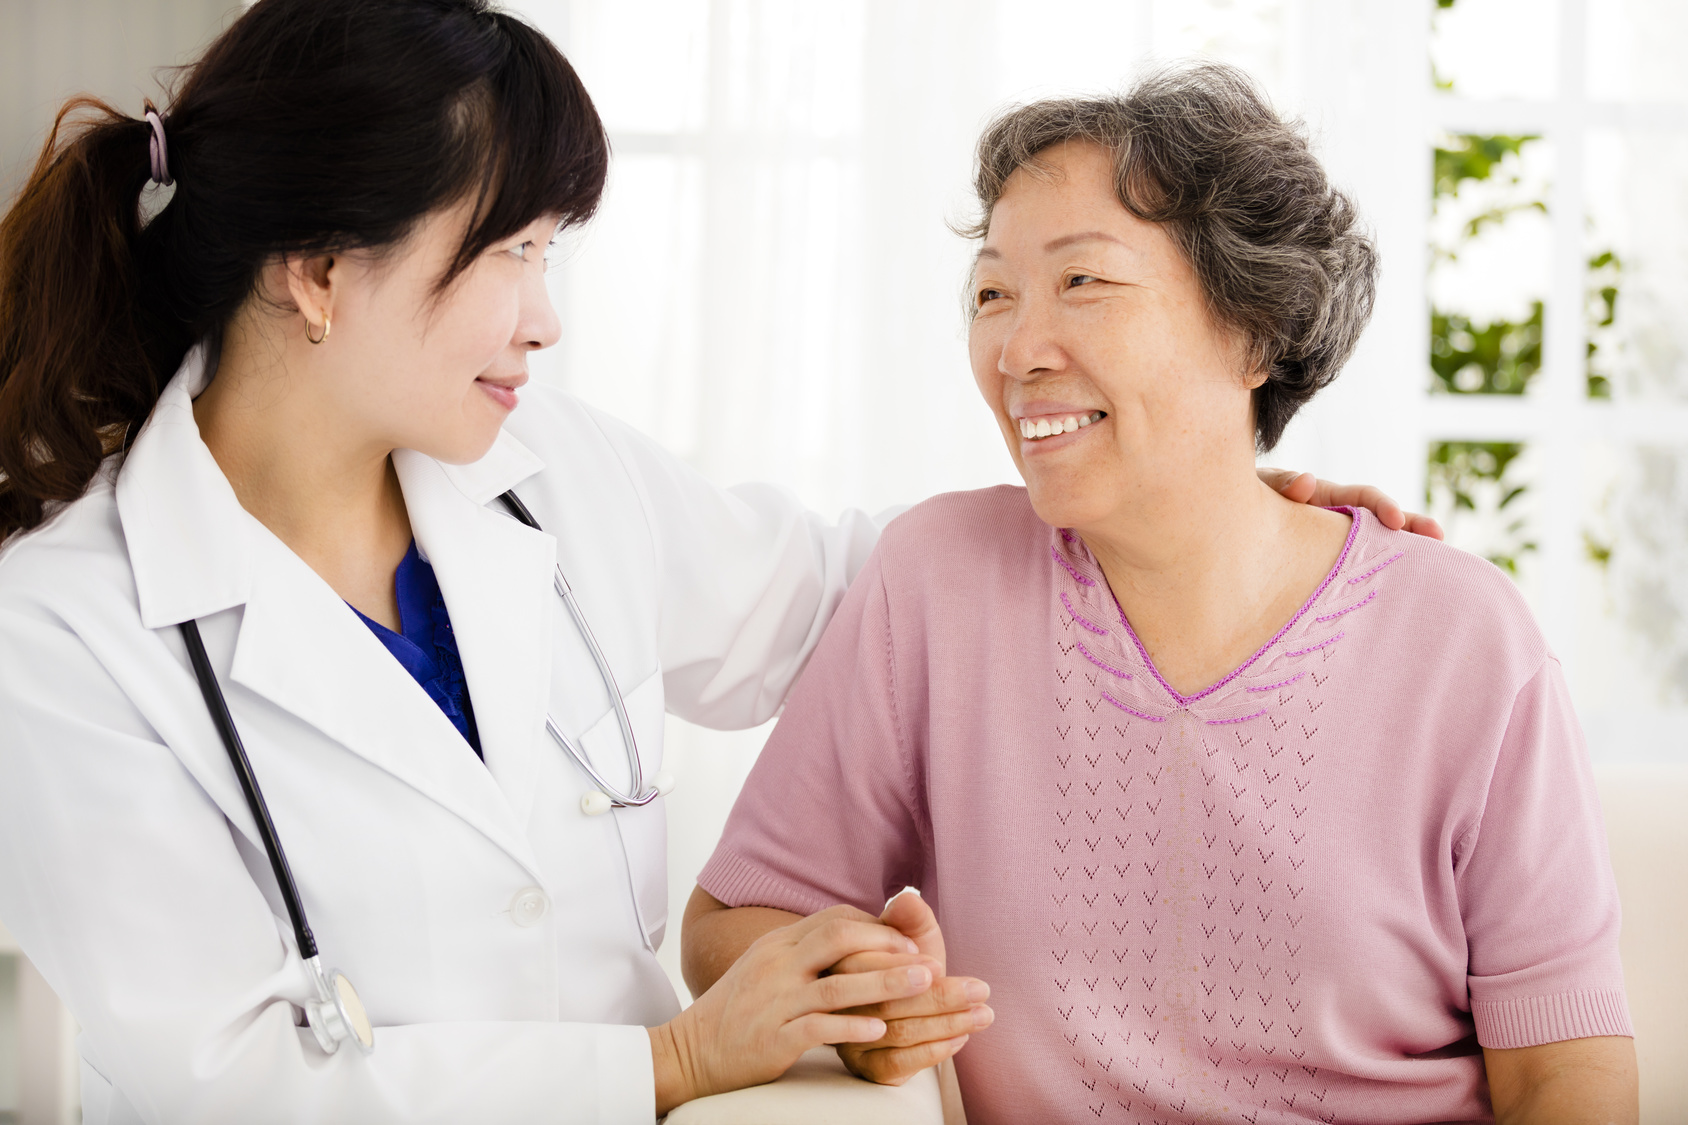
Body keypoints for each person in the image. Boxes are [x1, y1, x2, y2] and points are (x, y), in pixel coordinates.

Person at [0, 2, 1429, 1116]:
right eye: (510, 252)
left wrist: (1200, 506)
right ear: (317, 272)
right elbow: (225, 1086)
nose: (543, 317)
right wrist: (673, 1061)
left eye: (553, 253)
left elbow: (873, 595)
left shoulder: (550, 479)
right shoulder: (63, 630)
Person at [684, 64, 1639, 1125]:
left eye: (1081, 282)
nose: (1013, 349)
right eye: (991, 293)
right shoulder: (934, 583)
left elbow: (1566, 1068)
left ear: (1254, 332)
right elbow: (732, 922)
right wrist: (868, 1002)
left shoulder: (1461, 638)